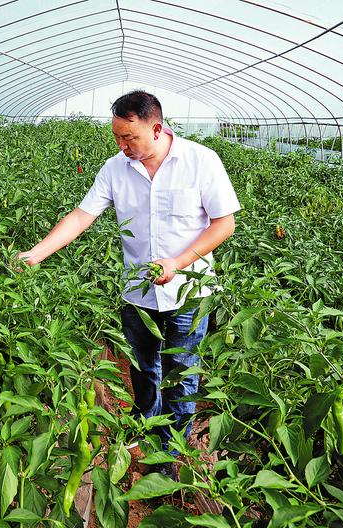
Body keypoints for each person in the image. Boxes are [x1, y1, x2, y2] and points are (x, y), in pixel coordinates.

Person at [18, 91, 240, 471]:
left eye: (129, 138)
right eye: (117, 137)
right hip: (138, 290)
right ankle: (145, 424)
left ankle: (169, 454)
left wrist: (178, 262)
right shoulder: (115, 168)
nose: (122, 146)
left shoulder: (201, 161)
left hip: (190, 290)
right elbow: (81, 216)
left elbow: (224, 224)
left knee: (181, 373)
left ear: (156, 129)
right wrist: (36, 254)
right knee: (143, 366)